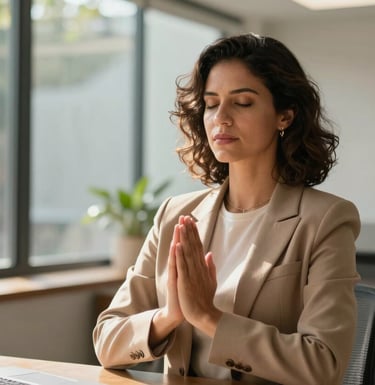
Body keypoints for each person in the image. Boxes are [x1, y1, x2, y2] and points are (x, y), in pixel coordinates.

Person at [93, 33, 361, 385]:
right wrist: (170, 315)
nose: (221, 117)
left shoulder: (326, 220)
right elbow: (107, 341)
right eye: (211, 102)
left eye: (243, 103)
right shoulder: (174, 214)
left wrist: (208, 317)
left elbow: (323, 365)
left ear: (284, 116)